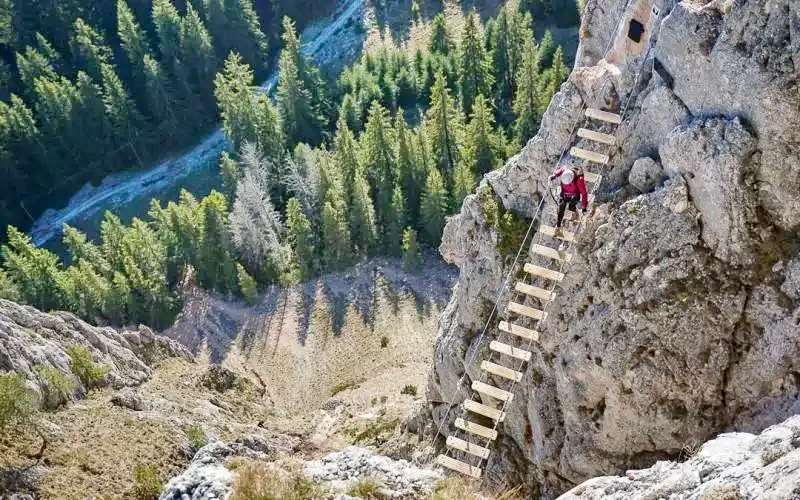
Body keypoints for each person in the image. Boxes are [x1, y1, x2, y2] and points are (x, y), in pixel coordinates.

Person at [549, 166, 588, 235]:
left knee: (571, 206)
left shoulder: (579, 180)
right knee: (561, 207)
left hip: (574, 195)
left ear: (572, 180)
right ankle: (558, 226)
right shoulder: (565, 171)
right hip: (565, 193)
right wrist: (554, 175)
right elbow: (561, 169)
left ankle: (575, 213)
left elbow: (584, 193)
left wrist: (584, 206)